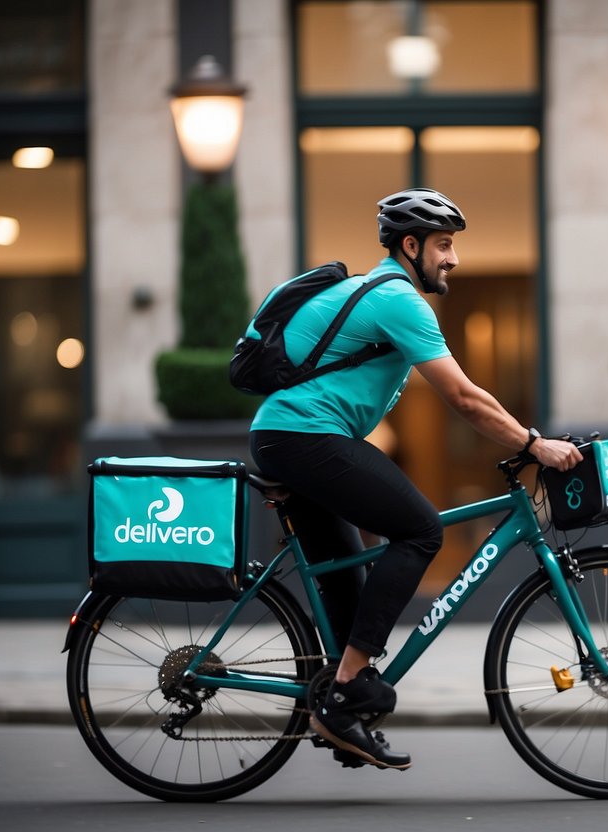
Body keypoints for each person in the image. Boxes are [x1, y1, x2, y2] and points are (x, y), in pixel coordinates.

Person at [248, 187, 582, 770]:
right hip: (303, 439)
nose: (453, 258)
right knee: (422, 530)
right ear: (411, 245)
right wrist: (535, 444)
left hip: (297, 439)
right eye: (445, 245)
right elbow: (464, 398)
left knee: (349, 582)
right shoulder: (399, 299)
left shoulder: (382, 294)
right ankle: (349, 686)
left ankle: (342, 711)